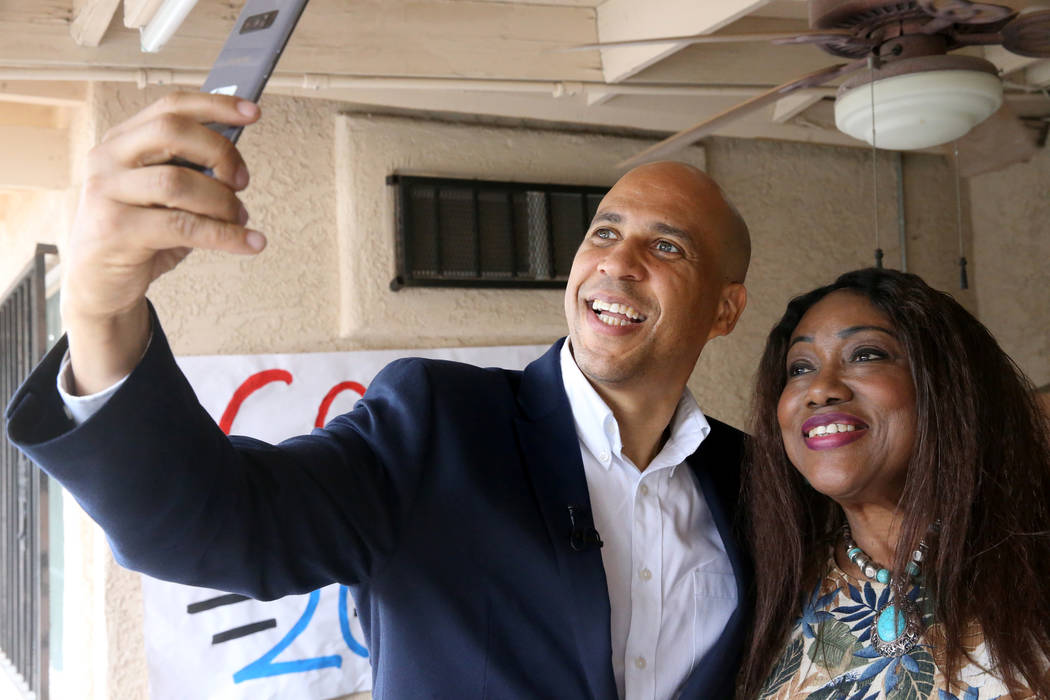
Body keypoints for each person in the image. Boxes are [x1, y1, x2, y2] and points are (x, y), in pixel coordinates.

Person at [5, 92, 754, 699]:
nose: (616, 263)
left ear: (724, 310)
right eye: (603, 232)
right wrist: (101, 315)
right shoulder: (441, 423)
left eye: (667, 246)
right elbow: (217, 522)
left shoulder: (752, 482)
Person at [738, 268, 1050, 699]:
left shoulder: (1031, 560)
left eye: (866, 354)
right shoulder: (764, 597)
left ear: (944, 384)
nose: (820, 389)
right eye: (800, 367)